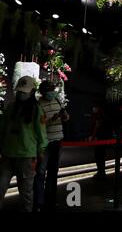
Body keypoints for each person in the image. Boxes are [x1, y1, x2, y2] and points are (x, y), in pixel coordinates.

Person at [0, 76, 48, 212]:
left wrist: (40, 152)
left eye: (24, 92)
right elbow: (2, 128)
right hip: (8, 155)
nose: (21, 94)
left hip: (26, 157)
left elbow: (42, 135)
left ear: (32, 92)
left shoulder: (36, 110)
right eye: (19, 91)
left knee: (26, 194)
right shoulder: (10, 108)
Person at [34, 80, 69, 211]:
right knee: (41, 172)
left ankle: (51, 200)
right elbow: (40, 125)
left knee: (53, 172)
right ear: (43, 92)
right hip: (45, 143)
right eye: (49, 91)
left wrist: (64, 116)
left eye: (52, 90)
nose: (52, 93)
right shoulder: (38, 105)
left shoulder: (57, 101)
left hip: (58, 141)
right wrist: (53, 118)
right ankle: (39, 202)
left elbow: (66, 118)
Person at [88, 101, 108, 180]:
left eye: (95, 107)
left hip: (100, 138)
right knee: (101, 156)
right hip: (103, 138)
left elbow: (97, 125)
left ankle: (101, 173)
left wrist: (92, 136)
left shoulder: (99, 115)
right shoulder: (102, 115)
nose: (94, 109)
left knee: (99, 156)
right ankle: (101, 172)